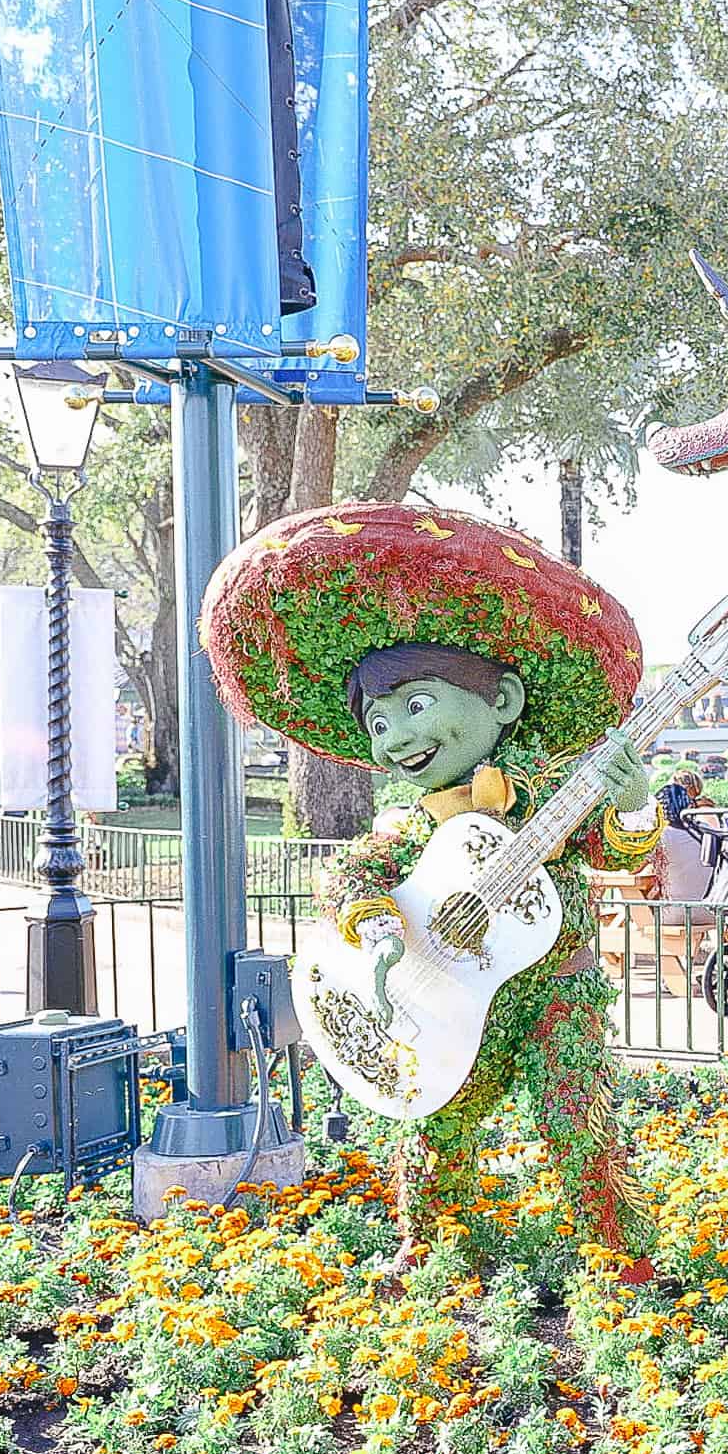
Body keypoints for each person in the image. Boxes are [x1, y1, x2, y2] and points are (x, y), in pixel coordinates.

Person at [202, 503, 661, 1277]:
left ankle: (620, 1256)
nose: (399, 739)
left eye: (416, 707)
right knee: (433, 1129)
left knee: (579, 1119)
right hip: (445, 1006)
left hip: (555, 993)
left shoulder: (550, 792)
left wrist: (632, 801)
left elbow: (614, 846)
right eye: (380, 724)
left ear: (504, 702)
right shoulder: (406, 828)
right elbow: (351, 874)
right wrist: (379, 928)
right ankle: (436, 1245)